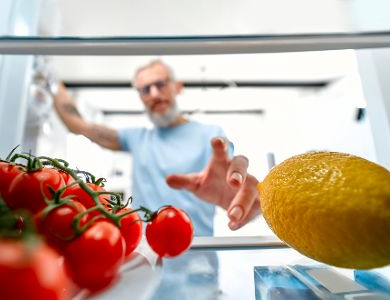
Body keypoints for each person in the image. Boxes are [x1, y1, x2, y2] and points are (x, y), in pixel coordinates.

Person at [51, 59, 260, 236]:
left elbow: (233, 183)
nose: (153, 94)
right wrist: (50, 78)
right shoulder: (136, 138)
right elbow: (79, 126)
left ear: (177, 87)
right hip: (143, 253)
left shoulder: (211, 136)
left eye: (160, 84)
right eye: (145, 89)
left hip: (197, 255)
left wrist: (242, 196)